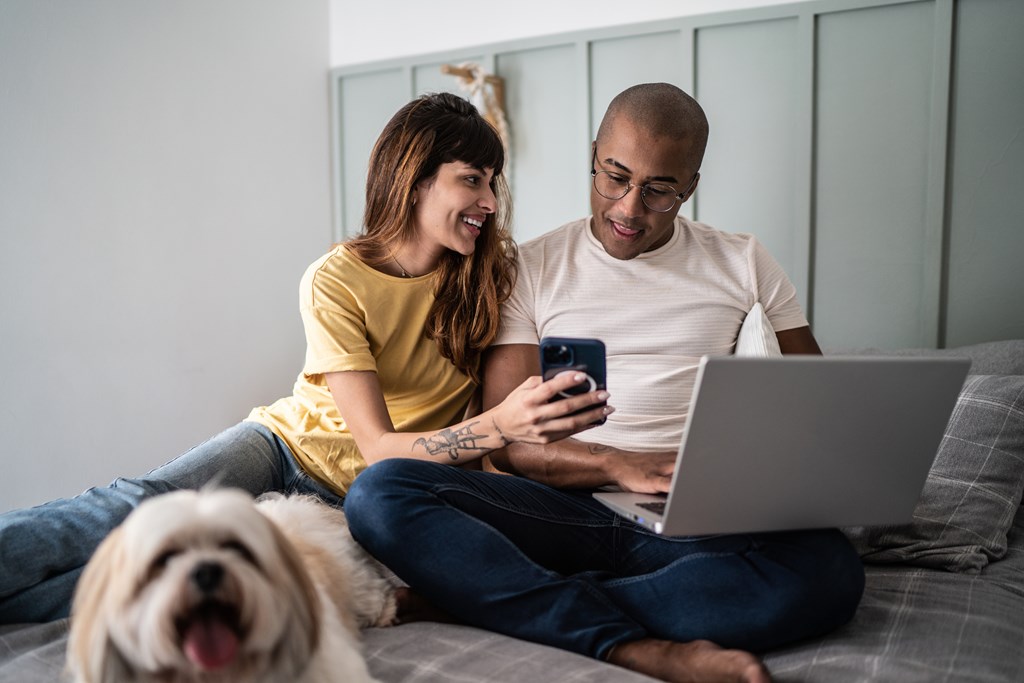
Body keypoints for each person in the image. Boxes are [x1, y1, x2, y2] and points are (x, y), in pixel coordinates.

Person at [0, 92, 606, 624]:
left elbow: (429, 455)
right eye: (472, 179)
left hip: (368, 496)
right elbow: (377, 443)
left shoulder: (488, 279)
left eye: (492, 183)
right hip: (284, 447)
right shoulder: (336, 279)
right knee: (141, 506)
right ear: (415, 178)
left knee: (178, 576)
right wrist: (499, 426)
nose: (491, 202)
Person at [343, 83, 866, 683]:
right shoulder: (530, 267)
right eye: (613, 177)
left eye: (659, 190)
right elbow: (514, 444)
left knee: (831, 572)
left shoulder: (744, 262)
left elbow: (820, 403)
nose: (628, 208)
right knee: (382, 493)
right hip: (563, 514)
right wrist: (619, 463)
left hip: (697, 517)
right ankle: (631, 646)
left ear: (689, 186)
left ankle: (498, 600)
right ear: (594, 156)